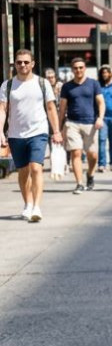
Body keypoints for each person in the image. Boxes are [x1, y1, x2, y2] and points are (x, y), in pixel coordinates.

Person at [0, 49, 64, 222]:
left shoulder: (42, 83)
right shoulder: (7, 85)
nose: (22, 65)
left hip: (38, 132)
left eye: (26, 62)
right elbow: (2, 110)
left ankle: (36, 206)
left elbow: (51, 108)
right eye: (19, 62)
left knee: (36, 168)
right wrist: (0, 131)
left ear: (33, 64)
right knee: (23, 171)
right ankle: (27, 204)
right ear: (15, 64)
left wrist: (56, 131)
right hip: (15, 134)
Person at [58, 58, 105, 194]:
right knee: (76, 152)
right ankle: (79, 183)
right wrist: (59, 128)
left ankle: (90, 174)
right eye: (76, 68)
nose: (78, 70)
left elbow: (101, 102)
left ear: (85, 68)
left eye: (81, 67)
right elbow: (62, 108)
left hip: (91, 123)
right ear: (72, 70)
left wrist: (100, 118)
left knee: (93, 155)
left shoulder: (93, 84)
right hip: (72, 123)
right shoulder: (67, 87)